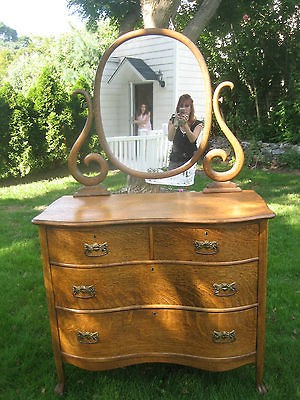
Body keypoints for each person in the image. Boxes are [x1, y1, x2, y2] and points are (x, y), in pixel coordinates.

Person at [168, 94, 203, 169]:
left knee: (187, 180)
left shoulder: (197, 124)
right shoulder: (173, 120)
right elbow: (170, 138)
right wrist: (176, 124)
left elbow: (192, 139)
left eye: (187, 106)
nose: (184, 108)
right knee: (172, 180)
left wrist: (185, 125)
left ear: (191, 108)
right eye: (181, 106)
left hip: (190, 159)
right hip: (175, 159)